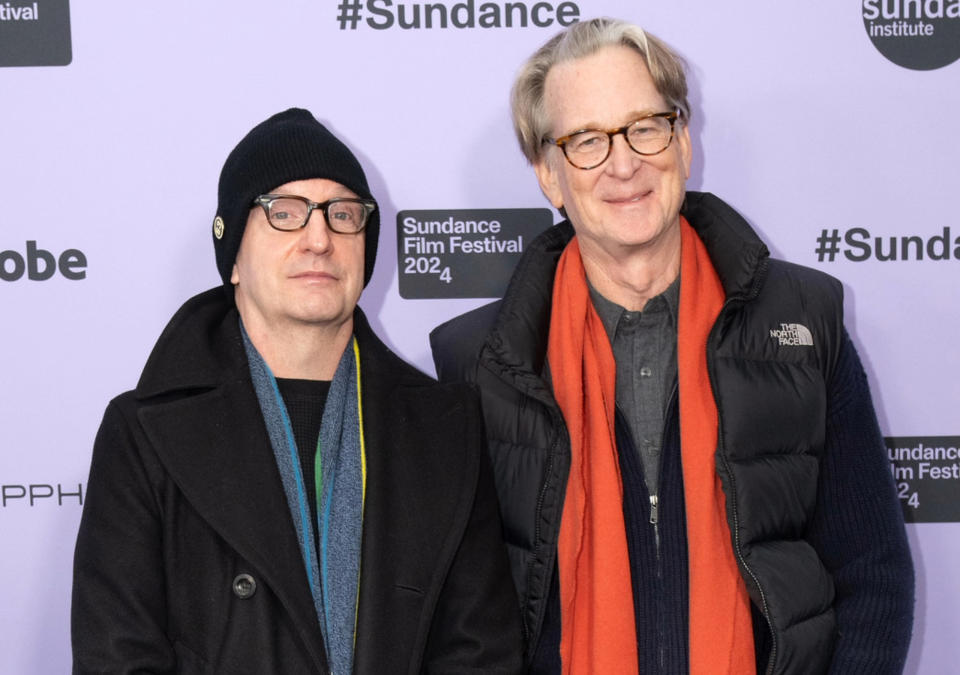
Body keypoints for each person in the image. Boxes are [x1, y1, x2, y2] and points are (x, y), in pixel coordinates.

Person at [430, 18, 913, 675]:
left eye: (645, 126)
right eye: (587, 141)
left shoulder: (802, 321)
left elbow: (872, 571)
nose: (624, 163)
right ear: (549, 175)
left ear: (683, 140)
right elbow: (464, 619)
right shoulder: (479, 361)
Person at [72, 108, 523, 674]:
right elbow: (118, 657)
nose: (319, 238)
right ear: (233, 255)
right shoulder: (143, 435)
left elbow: (481, 654)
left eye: (343, 214)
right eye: (283, 213)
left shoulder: (447, 428)